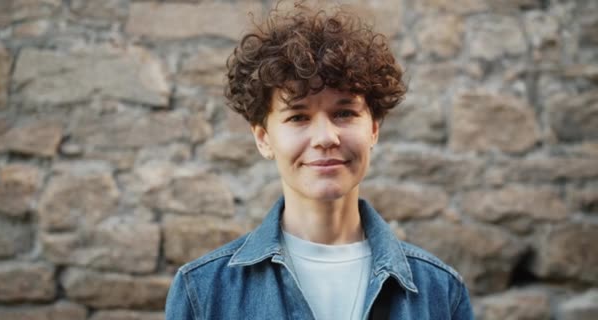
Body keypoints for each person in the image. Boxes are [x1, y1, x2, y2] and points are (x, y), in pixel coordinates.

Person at [165, 4, 474, 320]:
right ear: (263, 138)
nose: (326, 137)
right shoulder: (203, 291)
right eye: (298, 116)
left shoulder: (440, 290)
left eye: (345, 113)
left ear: (374, 128)